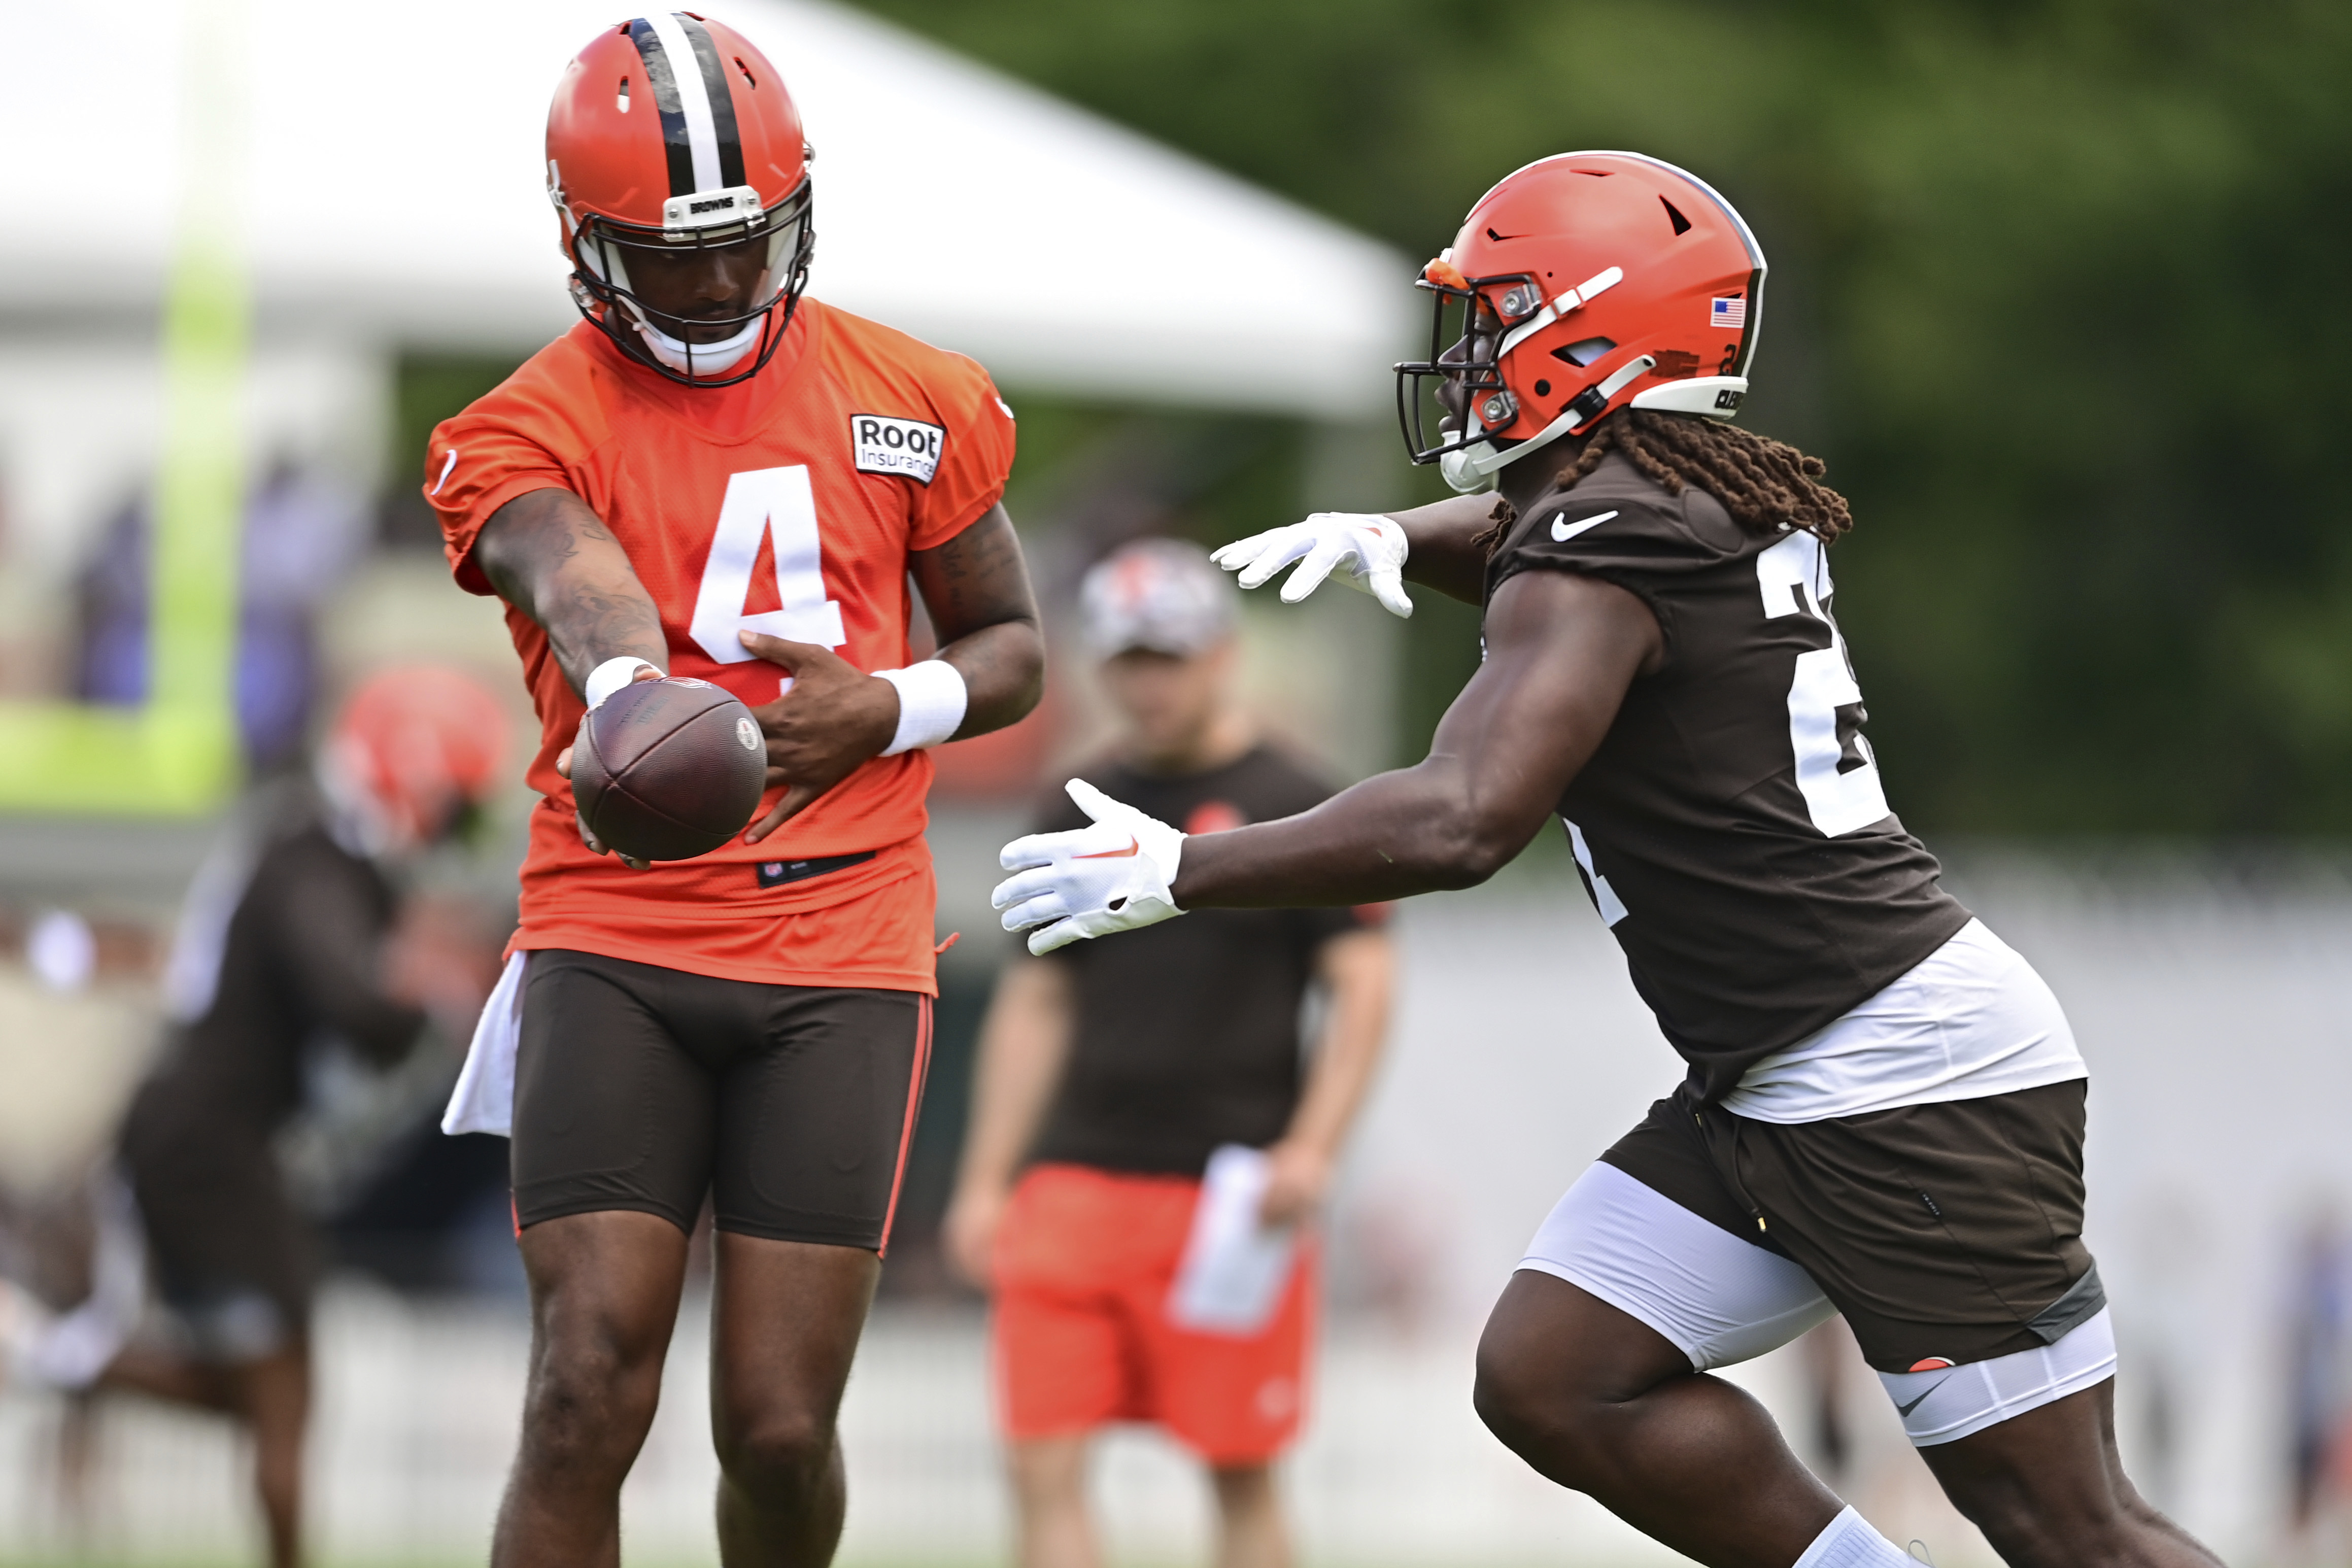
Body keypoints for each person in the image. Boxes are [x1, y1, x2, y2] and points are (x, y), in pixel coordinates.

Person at [994, 152, 2223, 1568]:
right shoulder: (1683, 496)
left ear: (1593, 330)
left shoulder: (1615, 532)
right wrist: (1395, 534)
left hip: (1903, 1085)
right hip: (1786, 1069)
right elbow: (1550, 543)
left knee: (2071, 1529)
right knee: (1554, 1372)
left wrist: (1182, 869)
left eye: (1496, 314)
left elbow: (1464, 815)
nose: (1466, 354)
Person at [421, 15, 1044, 1567]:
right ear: (582, 240)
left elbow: (1016, 649)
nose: (710, 286)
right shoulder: (520, 421)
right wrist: (638, 697)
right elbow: (569, 572)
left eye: (740, 246)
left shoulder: (920, 396)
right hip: (617, 935)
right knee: (583, 1384)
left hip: (841, 945)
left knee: (775, 1424)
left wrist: (888, 707)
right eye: (668, 255)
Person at [943, 539, 1393, 1568]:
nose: (1149, 683)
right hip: (1073, 1180)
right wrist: (983, 1181)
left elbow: (1360, 982)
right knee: (1040, 1462)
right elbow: (1037, 996)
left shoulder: (1299, 798)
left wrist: (1313, 1148)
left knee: (1238, 1468)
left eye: (1170, 657)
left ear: (1220, 653)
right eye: (1129, 659)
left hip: (1231, 1192)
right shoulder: (1074, 803)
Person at [0, 666, 506, 1568]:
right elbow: (356, 1003)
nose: (454, 832)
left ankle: (55, 1354)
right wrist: (424, 989)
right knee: (283, 1399)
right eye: (454, 806)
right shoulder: (309, 851)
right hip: (204, 1141)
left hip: (214, 1141)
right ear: (411, 779)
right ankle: (47, 1351)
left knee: (276, 1400)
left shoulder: (316, 854)